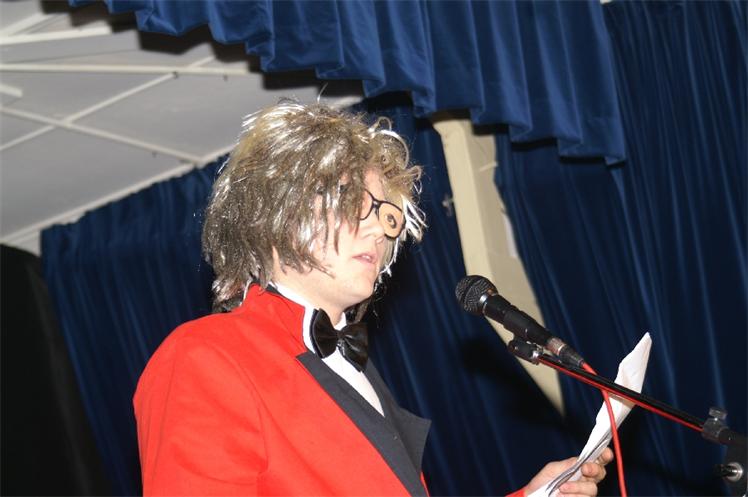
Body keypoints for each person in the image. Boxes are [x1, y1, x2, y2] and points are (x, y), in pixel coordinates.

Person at [134, 101, 613, 496]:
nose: (379, 230)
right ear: (279, 213)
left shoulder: (354, 368)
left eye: (387, 214)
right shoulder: (203, 356)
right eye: (353, 203)